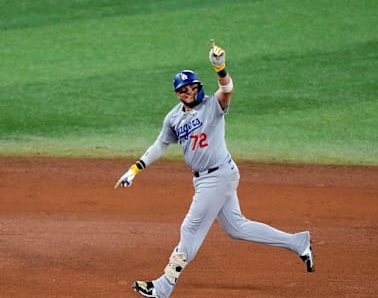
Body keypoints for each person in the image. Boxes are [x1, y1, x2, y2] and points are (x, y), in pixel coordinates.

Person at [114, 41, 315, 298]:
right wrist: (135, 169)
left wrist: (219, 67)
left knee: (189, 229)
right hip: (208, 179)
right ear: (177, 93)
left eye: (193, 86)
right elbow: (160, 144)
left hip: (217, 176)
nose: (189, 91)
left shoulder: (213, 105)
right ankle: (298, 242)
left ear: (199, 87)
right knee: (237, 228)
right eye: (183, 89)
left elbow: (227, 89)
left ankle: (164, 287)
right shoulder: (173, 117)